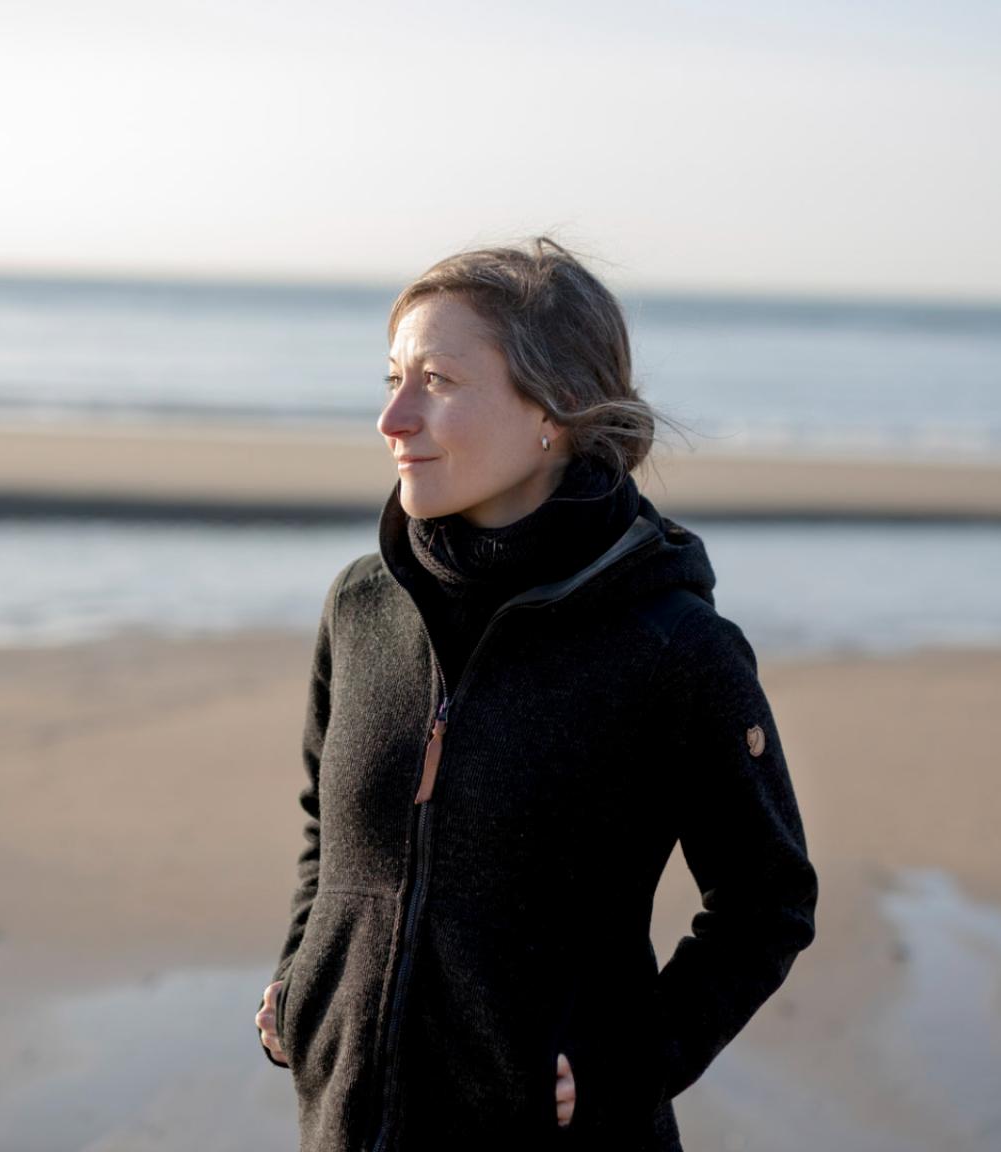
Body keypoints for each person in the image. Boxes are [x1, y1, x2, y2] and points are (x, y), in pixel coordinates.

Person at [252, 236, 818, 1151]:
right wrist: (304, 979)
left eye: (436, 379)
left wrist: (628, 1064)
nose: (393, 418)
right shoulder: (363, 607)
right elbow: (330, 825)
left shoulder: (674, 649)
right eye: (391, 377)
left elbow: (768, 902)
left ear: (554, 408)